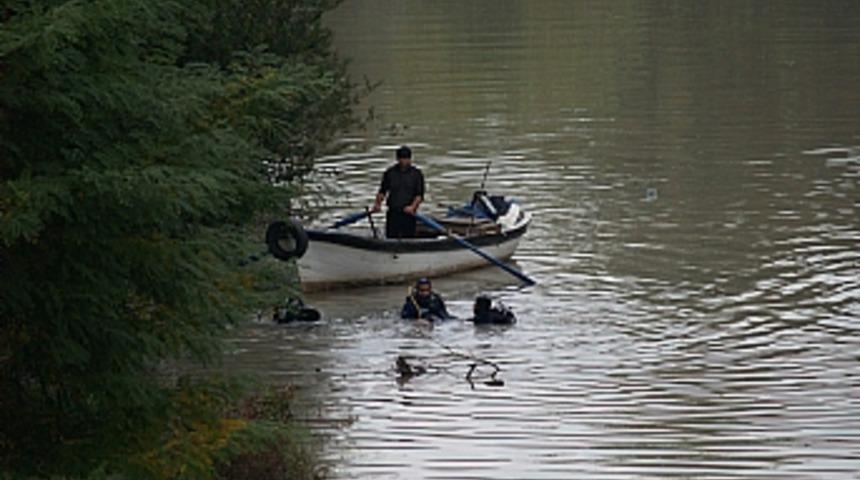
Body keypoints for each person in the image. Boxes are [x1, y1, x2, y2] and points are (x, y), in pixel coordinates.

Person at [372, 145, 425, 239]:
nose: (403, 161)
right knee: (391, 236)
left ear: (410, 159)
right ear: (397, 159)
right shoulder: (390, 173)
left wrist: (412, 207)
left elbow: (419, 195)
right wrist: (377, 204)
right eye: (401, 158)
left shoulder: (416, 174)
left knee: (408, 238)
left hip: (409, 213)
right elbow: (382, 191)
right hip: (393, 212)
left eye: (406, 159)